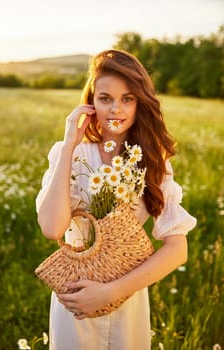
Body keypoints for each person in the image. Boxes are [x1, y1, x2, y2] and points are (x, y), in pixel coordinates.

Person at [36, 49, 197, 350]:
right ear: (90, 102)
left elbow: (178, 249)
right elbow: (52, 229)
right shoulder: (71, 153)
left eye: (128, 98)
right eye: (105, 98)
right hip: (76, 298)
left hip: (128, 297)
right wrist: (70, 144)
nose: (116, 109)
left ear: (140, 103)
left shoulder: (151, 160)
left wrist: (111, 292)